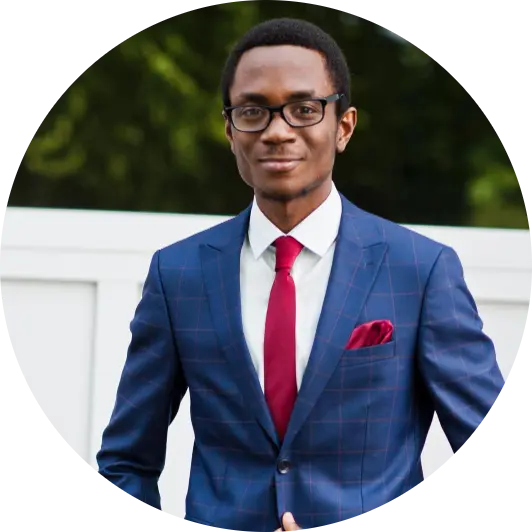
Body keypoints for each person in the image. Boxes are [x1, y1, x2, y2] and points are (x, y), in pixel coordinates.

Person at [96, 17, 505, 531]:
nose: (276, 131)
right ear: (230, 131)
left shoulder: (420, 271)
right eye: (252, 111)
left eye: (304, 109)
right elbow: (127, 461)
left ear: (344, 126)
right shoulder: (178, 274)